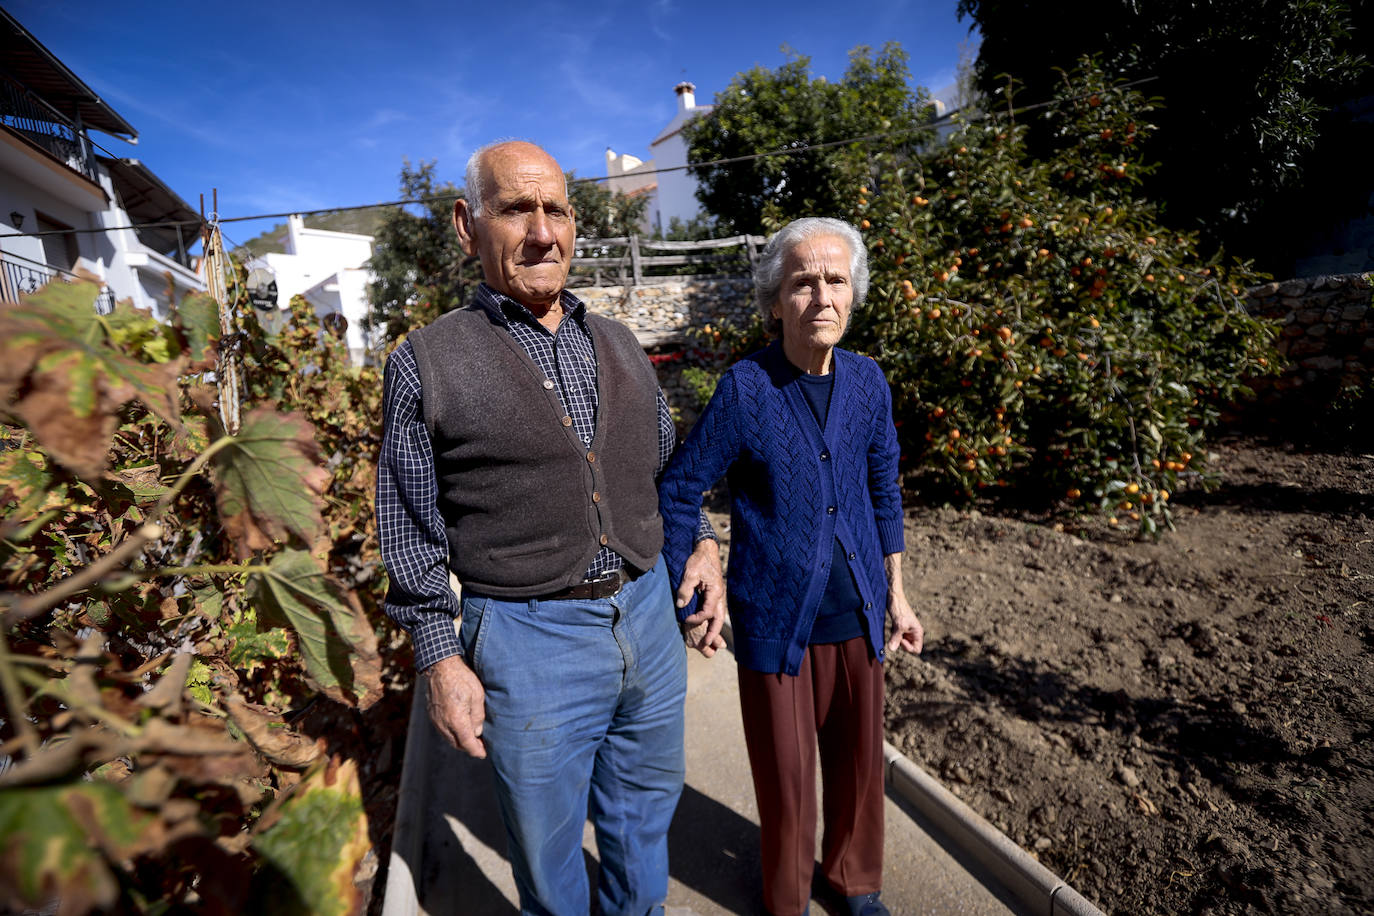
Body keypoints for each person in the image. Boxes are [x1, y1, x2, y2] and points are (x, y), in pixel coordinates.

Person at [376, 139, 725, 916]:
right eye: (516, 209)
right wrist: (440, 659)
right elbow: (407, 524)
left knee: (642, 822)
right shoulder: (426, 363)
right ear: (468, 225)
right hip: (526, 638)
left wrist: (700, 540)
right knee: (547, 847)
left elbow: (667, 471)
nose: (542, 231)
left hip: (646, 615)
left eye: (556, 210)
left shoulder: (620, 343)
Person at [658, 217, 923, 916]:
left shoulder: (869, 382)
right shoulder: (747, 389)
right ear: (776, 302)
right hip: (775, 617)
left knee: (861, 768)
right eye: (802, 283)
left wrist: (898, 595)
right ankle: (787, 899)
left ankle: (854, 881)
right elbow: (682, 487)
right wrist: (691, 589)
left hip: (859, 611)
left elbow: (884, 489)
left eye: (836, 281)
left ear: (854, 295)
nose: (822, 296)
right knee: (787, 779)